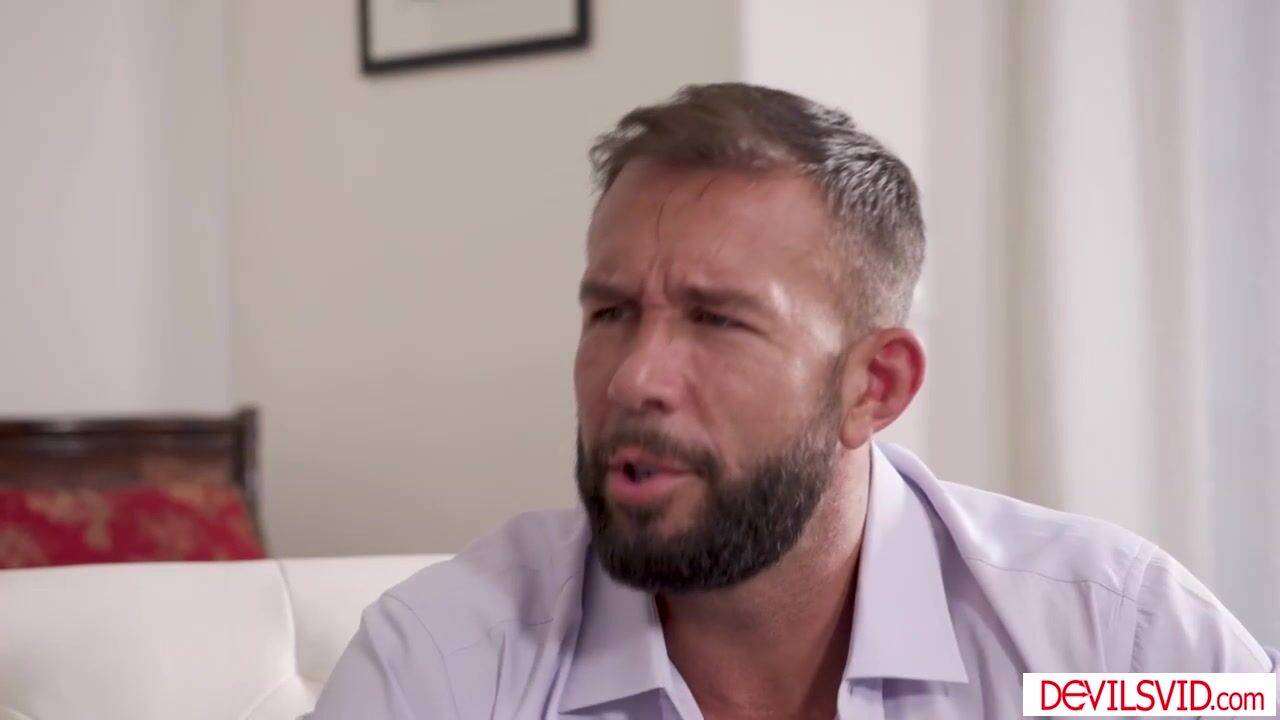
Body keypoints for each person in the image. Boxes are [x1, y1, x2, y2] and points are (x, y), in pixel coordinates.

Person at [309, 83, 1277, 719]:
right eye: (611, 312)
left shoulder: (1110, 645)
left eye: (715, 320)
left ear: (874, 386)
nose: (633, 378)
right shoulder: (441, 668)